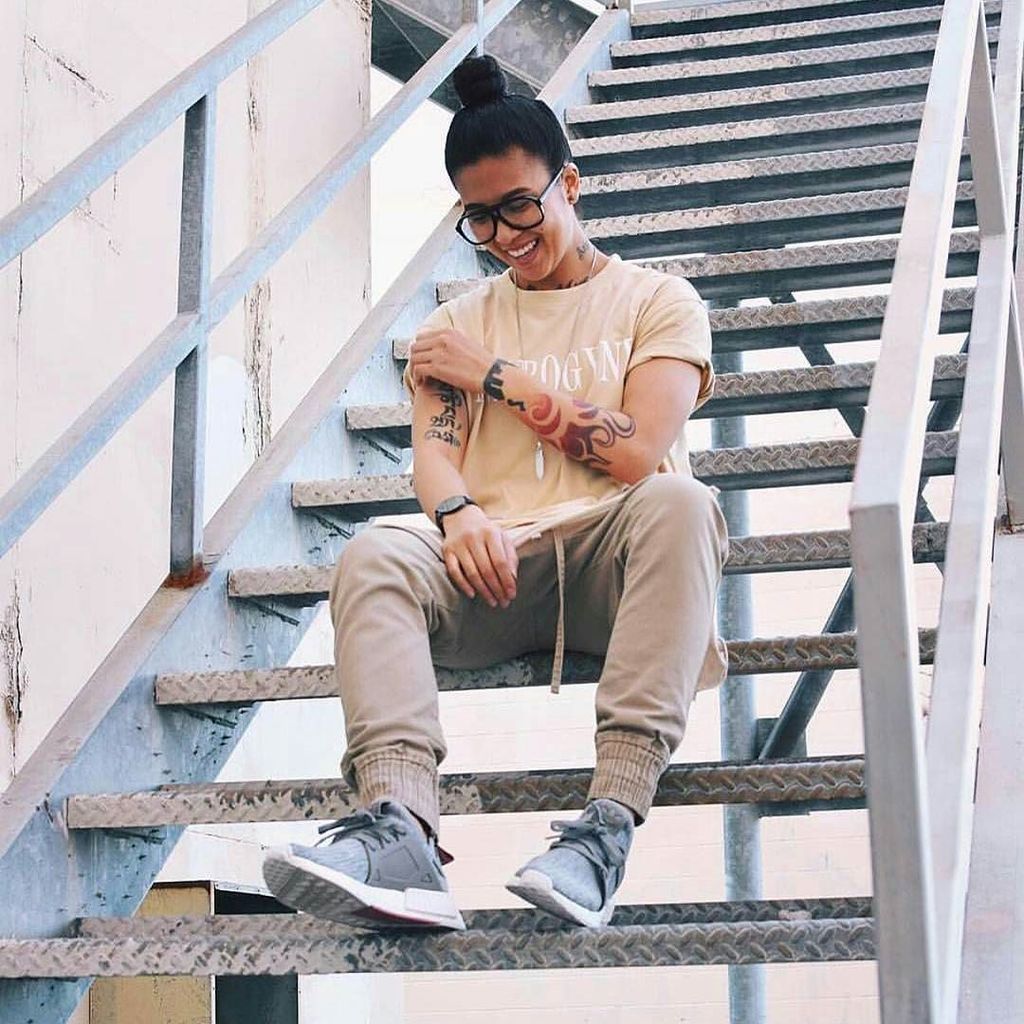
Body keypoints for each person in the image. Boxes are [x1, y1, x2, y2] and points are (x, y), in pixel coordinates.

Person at [263, 54, 729, 932]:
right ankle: (399, 831)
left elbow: (637, 453)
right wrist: (456, 512)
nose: (505, 234)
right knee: (374, 552)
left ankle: (604, 832)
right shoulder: (454, 324)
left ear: (569, 185)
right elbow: (435, 459)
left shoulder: (659, 302)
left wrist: (497, 375)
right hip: (497, 571)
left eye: (520, 205)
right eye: (479, 218)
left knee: (683, 503)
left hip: (620, 572)